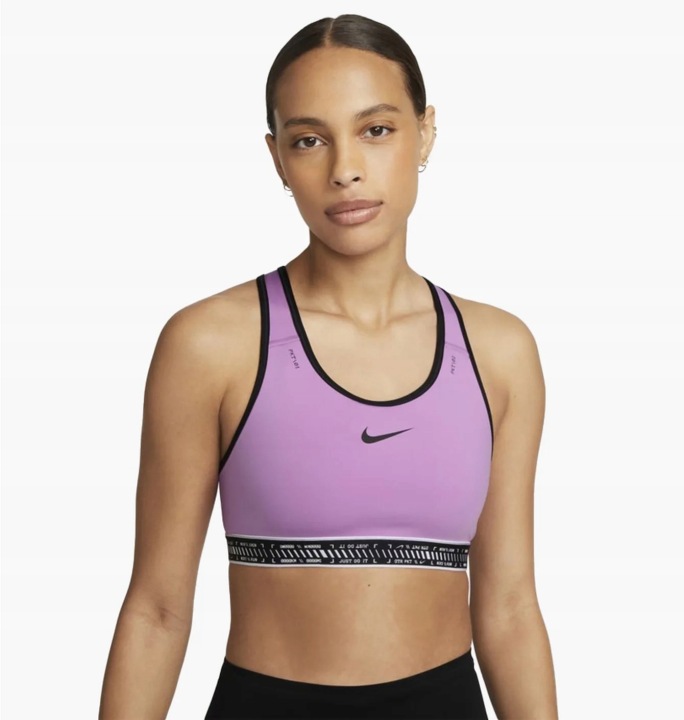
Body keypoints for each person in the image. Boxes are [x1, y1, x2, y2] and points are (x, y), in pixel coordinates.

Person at [99, 13, 558, 720]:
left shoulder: (498, 351)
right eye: (309, 139)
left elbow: (510, 609)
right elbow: (157, 609)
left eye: (376, 129)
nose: (345, 169)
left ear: (425, 132)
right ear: (277, 158)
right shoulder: (211, 344)